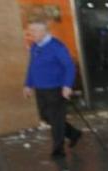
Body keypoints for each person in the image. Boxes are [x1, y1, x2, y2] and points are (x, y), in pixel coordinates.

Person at [23, 19, 82, 158]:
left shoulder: (56, 46)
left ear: (43, 31)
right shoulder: (34, 47)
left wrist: (67, 85)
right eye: (30, 31)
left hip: (56, 88)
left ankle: (58, 150)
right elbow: (32, 67)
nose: (31, 34)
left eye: (34, 31)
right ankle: (73, 133)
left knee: (56, 119)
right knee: (46, 117)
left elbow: (69, 67)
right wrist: (28, 84)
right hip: (40, 88)